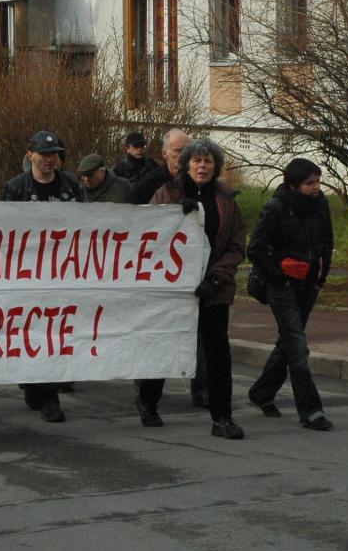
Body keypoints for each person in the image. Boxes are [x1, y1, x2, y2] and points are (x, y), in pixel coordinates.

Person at [147, 138, 246, 438]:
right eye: (197, 161)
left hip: (212, 289)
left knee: (217, 353)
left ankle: (222, 417)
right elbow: (149, 233)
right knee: (164, 344)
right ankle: (149, 402)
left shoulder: (226, 200)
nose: (202, 166)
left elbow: (235, 244)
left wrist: (217, 276)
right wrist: (176, 213)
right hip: (174, 290)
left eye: (208, 161)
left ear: (215, 166)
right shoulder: (167, 193)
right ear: (186, 164)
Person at [1, 130, 87, 422]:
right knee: (31, 331)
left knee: (54, 332)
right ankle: (36, 387)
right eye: (44, 154)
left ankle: (47, 394)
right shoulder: (15, 188)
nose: (50, 159)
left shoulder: (72, 185)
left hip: (63, 274)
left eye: (55, 154)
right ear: (31, 156)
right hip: (27, 276)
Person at [246, 158, 334, 430]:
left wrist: (322, 276)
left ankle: (261, 392)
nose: (316, 187)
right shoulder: (276, 208)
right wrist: (278, 277)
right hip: (281, 286)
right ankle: (311, 410)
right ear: (294, 185)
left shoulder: (321, 205)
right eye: (310, 183)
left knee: (288, 342)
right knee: (297, 346)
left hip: (308, 285)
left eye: (318, 181)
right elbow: (256, 248)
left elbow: (327, 243)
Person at [133, 128, 188, 204]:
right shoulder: (147, 185)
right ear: (164, 153)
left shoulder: (197, 179)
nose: (185, 155)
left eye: (188, 150)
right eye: (179, 150)